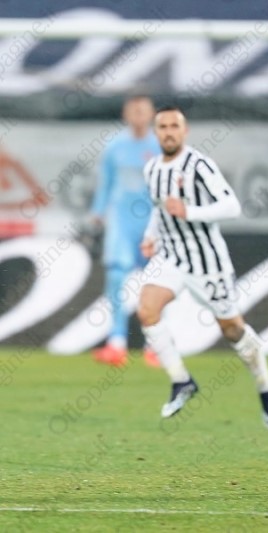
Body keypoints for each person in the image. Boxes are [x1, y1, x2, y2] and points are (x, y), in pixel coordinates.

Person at [136, 105, 268, 428]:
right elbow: (160, 209)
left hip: (207, 262)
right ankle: (181, 381)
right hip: (171, 255)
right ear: (156, 132)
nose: (169, 132)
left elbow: (232, 206)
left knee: (232, 330)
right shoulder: (152, 170)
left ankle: (265, 385)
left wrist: (189, 212)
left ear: (185, 131)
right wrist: (150, 235)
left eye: (174, 126)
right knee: (146, 309)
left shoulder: (199, 165)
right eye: (163, 127)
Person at [90, 95, 161, 368]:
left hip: (153, 221)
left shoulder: (160, 145)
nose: (138, 116)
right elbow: (106, 182)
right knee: (116, 276)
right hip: (121, 220)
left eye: (143, 111)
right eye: (134, 111)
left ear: (151, 114)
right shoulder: (115, 146)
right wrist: (98, 212)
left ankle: (156, 344)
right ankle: (117, 343)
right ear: (126, 114)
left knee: (158, 281)